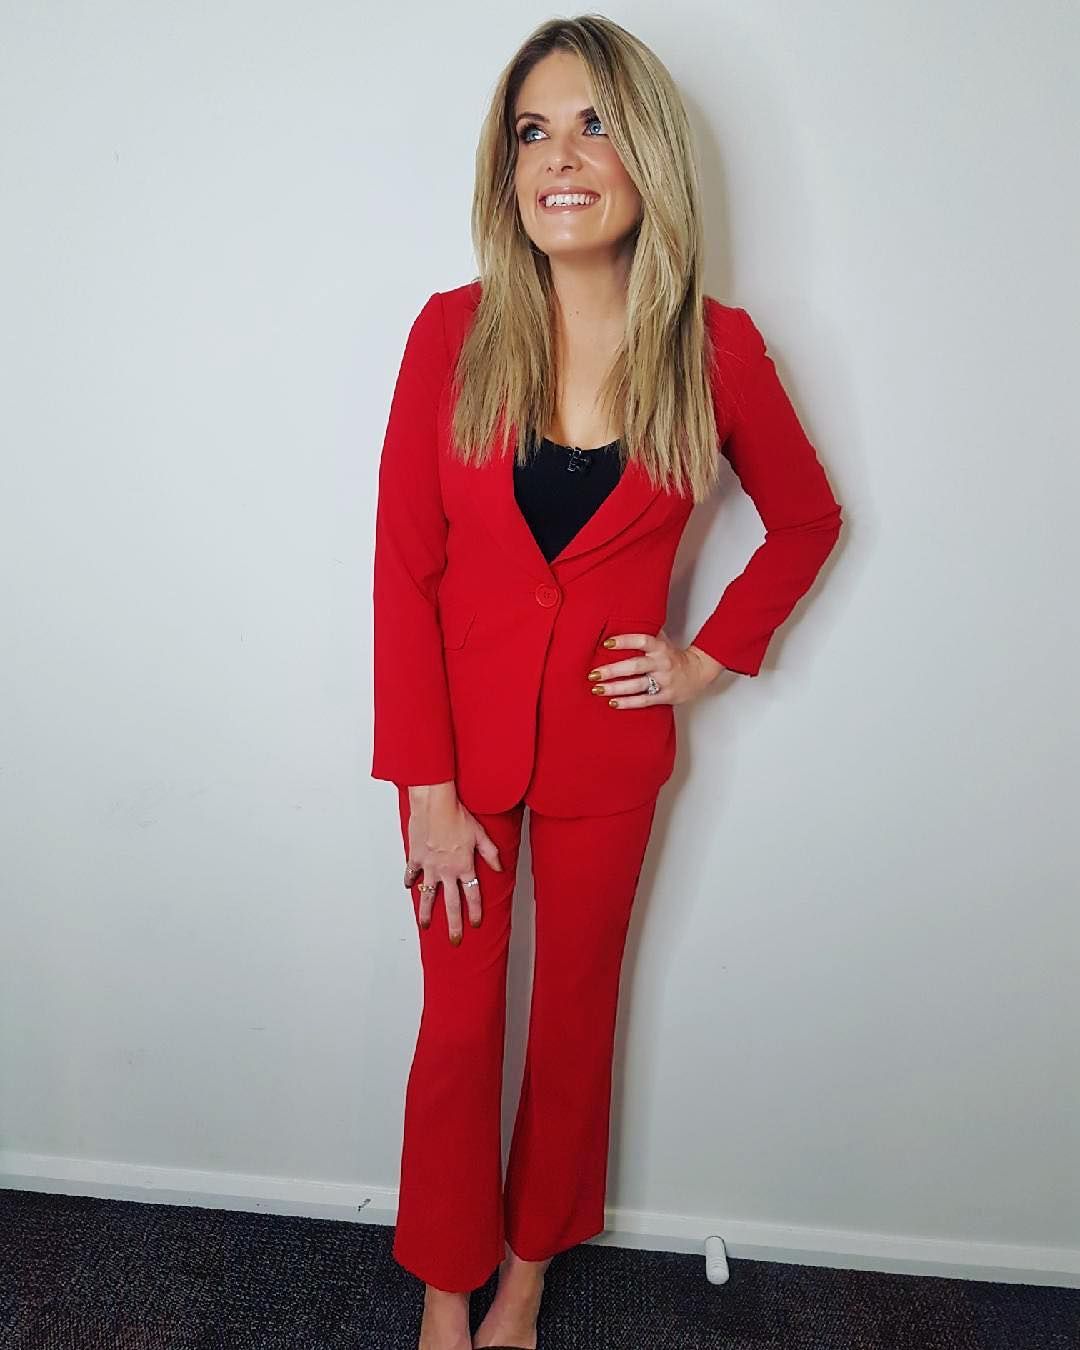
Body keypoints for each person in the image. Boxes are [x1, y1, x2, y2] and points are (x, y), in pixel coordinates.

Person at [370, 16, 844, 1350]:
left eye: (593, 126)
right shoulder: (451, 334)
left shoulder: (719, 350)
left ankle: (524, 1284)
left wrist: (708, 658)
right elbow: (403, 572)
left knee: (572, 1025)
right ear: (506, 166)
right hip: (455, 762)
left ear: (648, 157)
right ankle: (446, 1292)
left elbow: (808, 520)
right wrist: (424, 786)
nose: (559, 158)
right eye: (533, 131)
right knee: (460, 1030)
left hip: (606, 756)